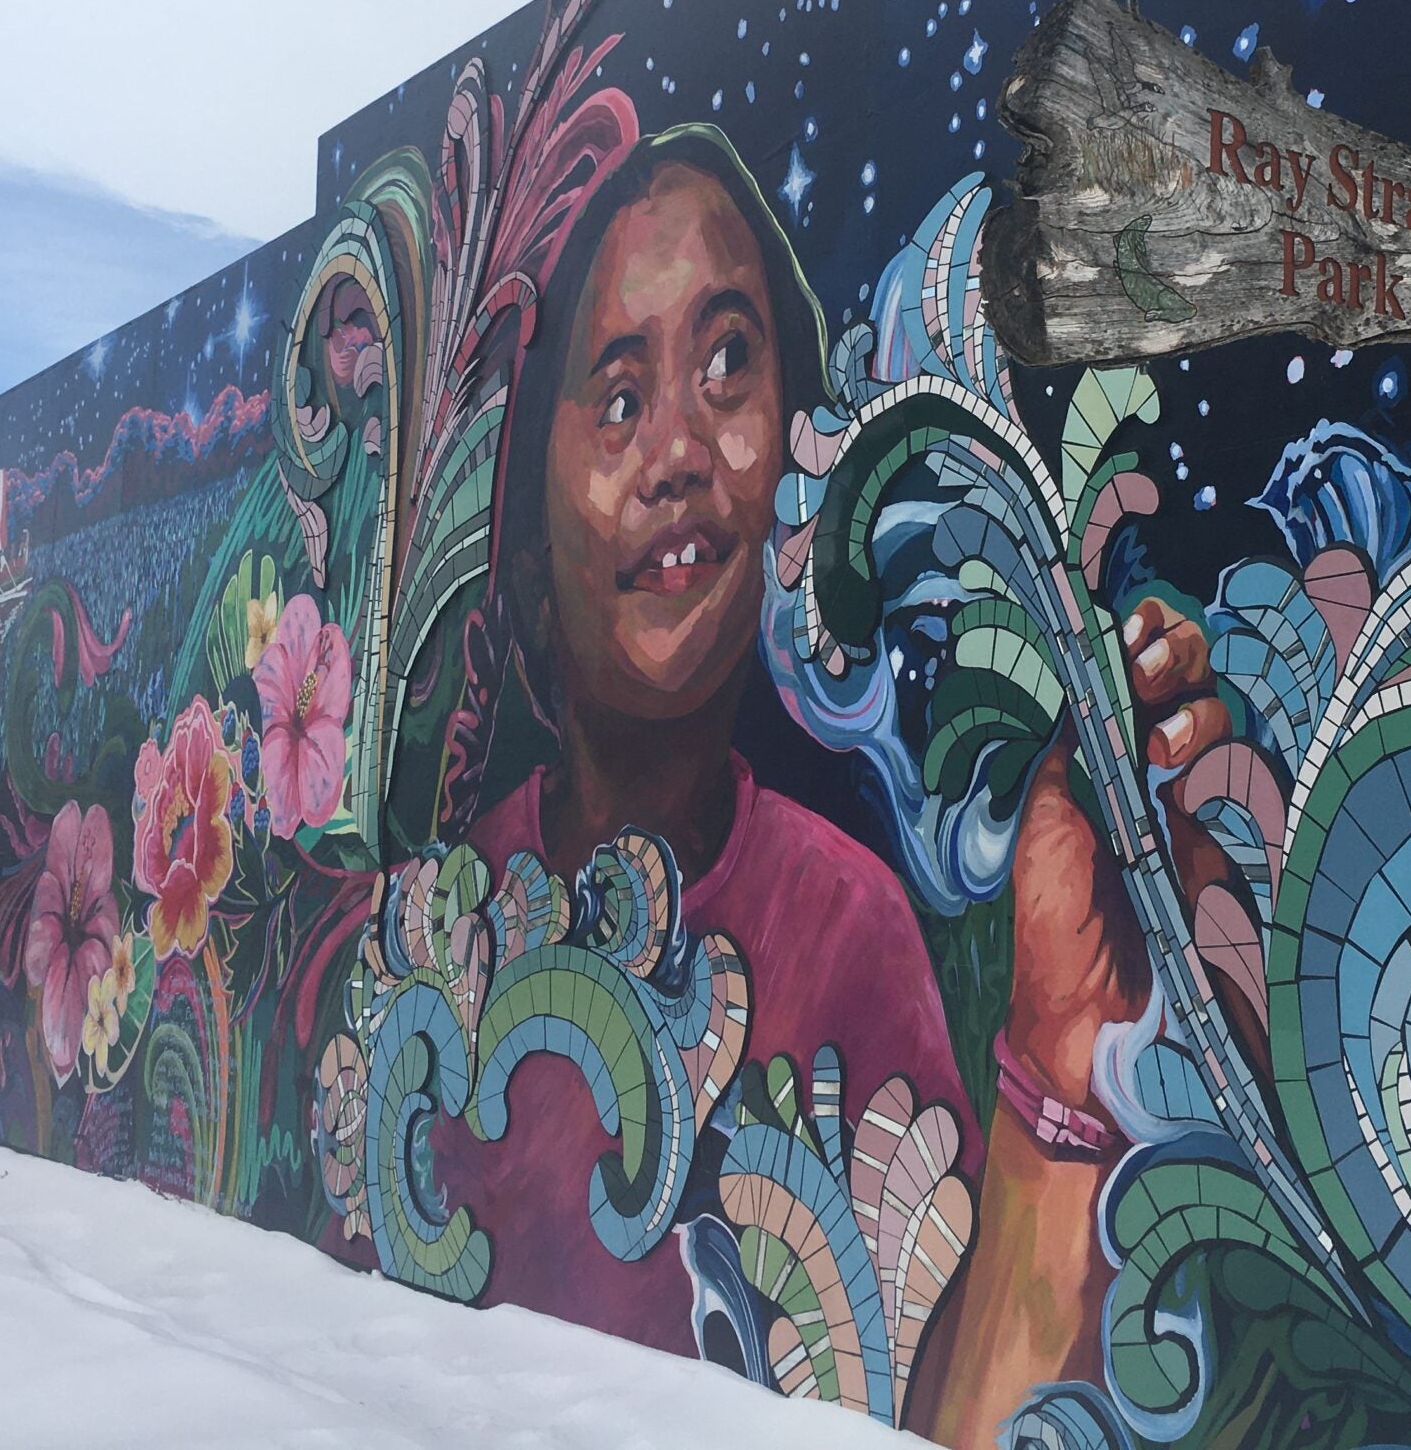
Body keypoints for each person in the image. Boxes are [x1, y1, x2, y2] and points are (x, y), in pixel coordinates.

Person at [424, 124, 1238, 1445]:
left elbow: (952, 1413)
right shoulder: (433, 926)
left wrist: (1063, 1045)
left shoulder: (847, 930)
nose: (682, 450)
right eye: (621, 397)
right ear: (528, 520)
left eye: (732, 362)